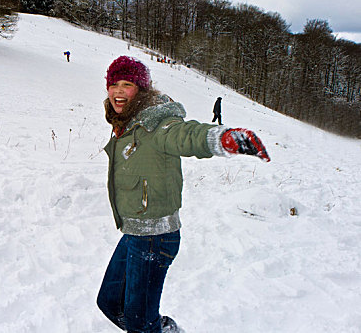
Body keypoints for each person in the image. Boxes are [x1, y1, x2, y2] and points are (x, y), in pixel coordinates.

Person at [97, 56, 270, 333]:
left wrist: (222, 139)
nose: (118, 91)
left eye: (127, 84)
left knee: (139, 322)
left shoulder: (157, 125)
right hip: (134, 232)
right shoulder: (125, 122)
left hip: (155, 238)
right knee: (109, 302)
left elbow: (185, 135)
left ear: (140, 89)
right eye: (113, 84)